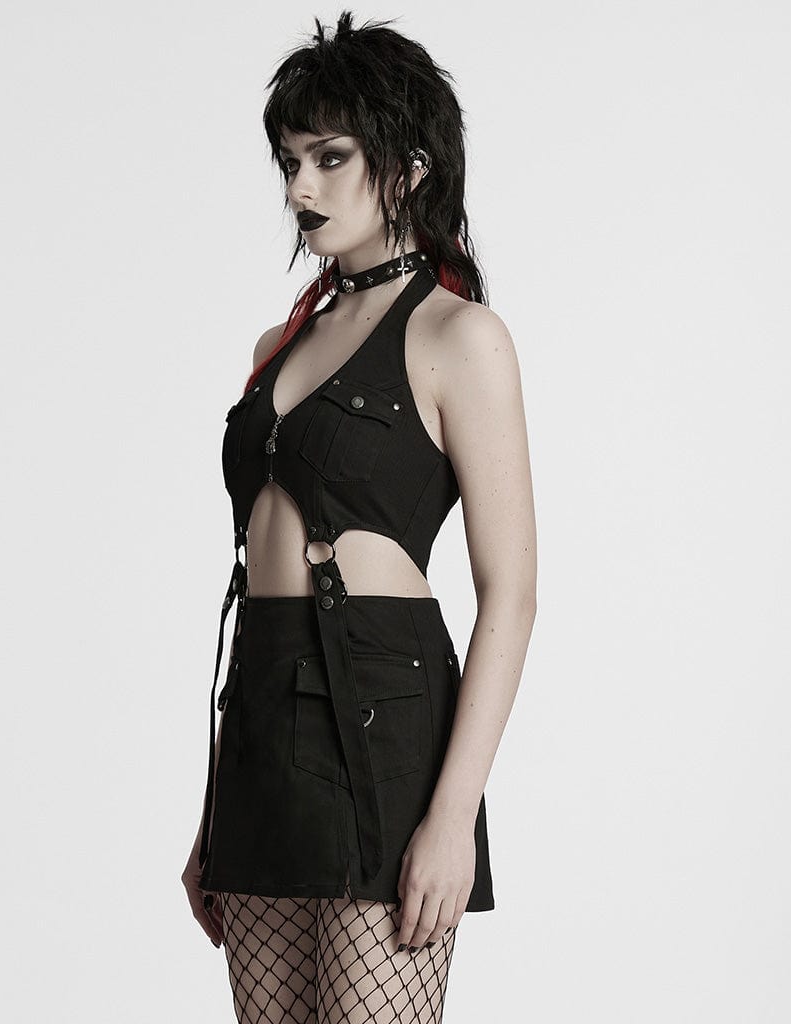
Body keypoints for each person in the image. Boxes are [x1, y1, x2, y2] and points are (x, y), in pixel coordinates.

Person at [182, 11, 537, 1022]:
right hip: (263, 721)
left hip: (386, 724)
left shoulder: (460, 337)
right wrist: (213, 808)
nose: (301, 188)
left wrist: (453, 815)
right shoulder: (277, 346)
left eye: (330, 158)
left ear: (411, 167)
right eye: (290, 162)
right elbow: (258, 588)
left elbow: (512, 596)